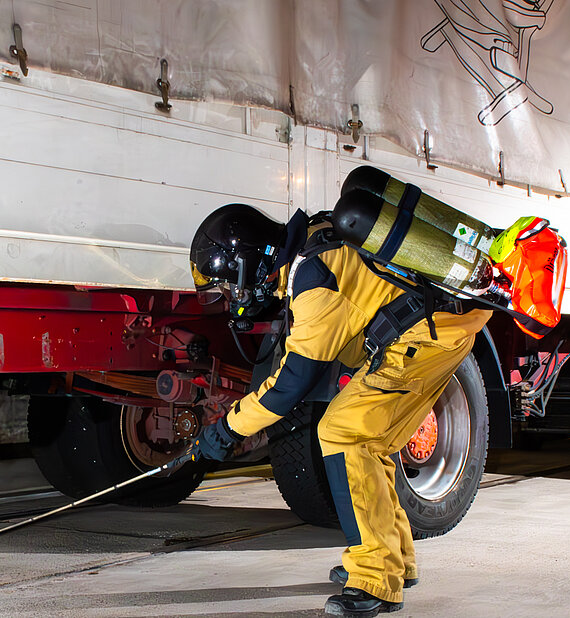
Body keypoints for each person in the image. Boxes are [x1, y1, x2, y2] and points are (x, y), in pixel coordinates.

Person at [190, 203, 492, 617]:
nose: (233, 298)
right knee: (371, 439)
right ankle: (395, 560)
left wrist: (226, 430)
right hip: (442, 327)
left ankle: (374, 579)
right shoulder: (316, 241)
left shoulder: (315, 281)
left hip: (424, 338)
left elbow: (288, 386)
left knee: (343, 431)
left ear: (251, 268)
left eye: (230, 287)